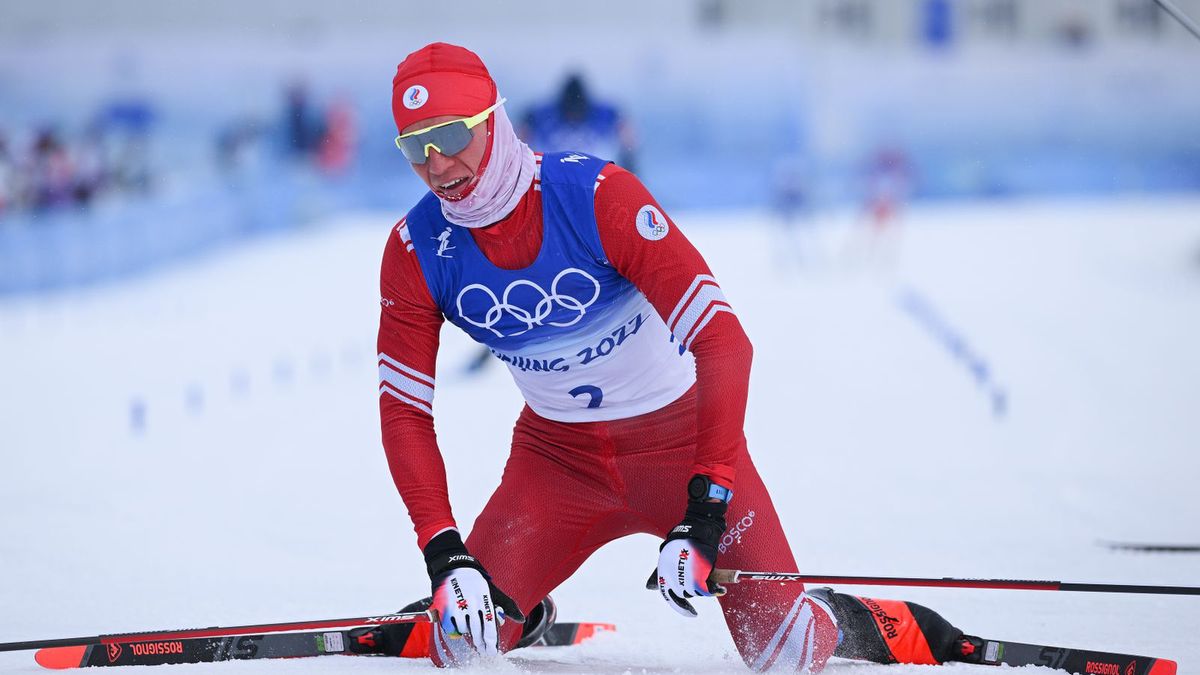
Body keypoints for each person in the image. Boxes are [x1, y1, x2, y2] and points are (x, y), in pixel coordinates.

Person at [377, 43, 962, 672]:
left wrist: (707, 507)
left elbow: (724, 342)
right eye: (414, 146)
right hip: (557, 463)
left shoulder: (597, 196)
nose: (437, 164)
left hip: (681, 446)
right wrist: (445, 553)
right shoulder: (416, 249)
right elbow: (404, 411)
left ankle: (857, 620)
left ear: (493, 118)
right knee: (460, 651)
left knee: (787, 655)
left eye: (450, 135)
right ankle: (520, 609)